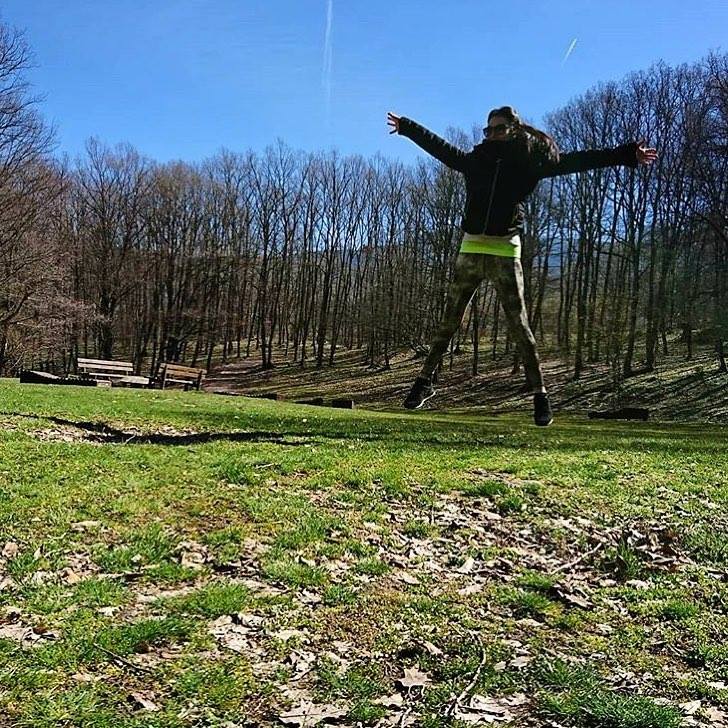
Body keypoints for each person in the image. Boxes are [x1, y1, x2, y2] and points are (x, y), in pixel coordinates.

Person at [387, 106, 657, 426]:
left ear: (513, 130)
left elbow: (578, 161)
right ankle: (424, 382)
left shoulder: (529, 164)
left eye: (498, 129)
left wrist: (626, 154)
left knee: (520, 326)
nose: (492, 134)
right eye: (488, 130)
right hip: (471, 249)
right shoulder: (476, 161)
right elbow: (441, 148)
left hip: (505, 251)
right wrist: (407, 127)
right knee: (449, 321)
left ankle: (540, 396)